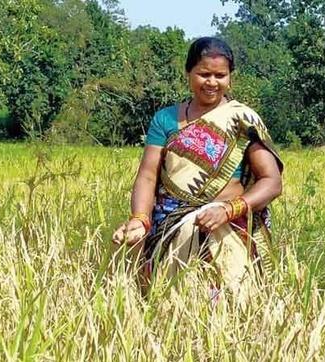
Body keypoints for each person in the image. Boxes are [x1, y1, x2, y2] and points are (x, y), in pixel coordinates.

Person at [112, 37, 283, 302]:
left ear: (230, 78)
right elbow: (148, 175)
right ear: (188, 74)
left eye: (220, 75)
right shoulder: (166, 119)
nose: (212, 82)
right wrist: (139, 220)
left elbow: (271, 182)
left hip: (227, 223)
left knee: (235, 304)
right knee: (169, 304)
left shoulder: (242, 120)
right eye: (204, 74)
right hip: (171, 223)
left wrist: (228, 210)